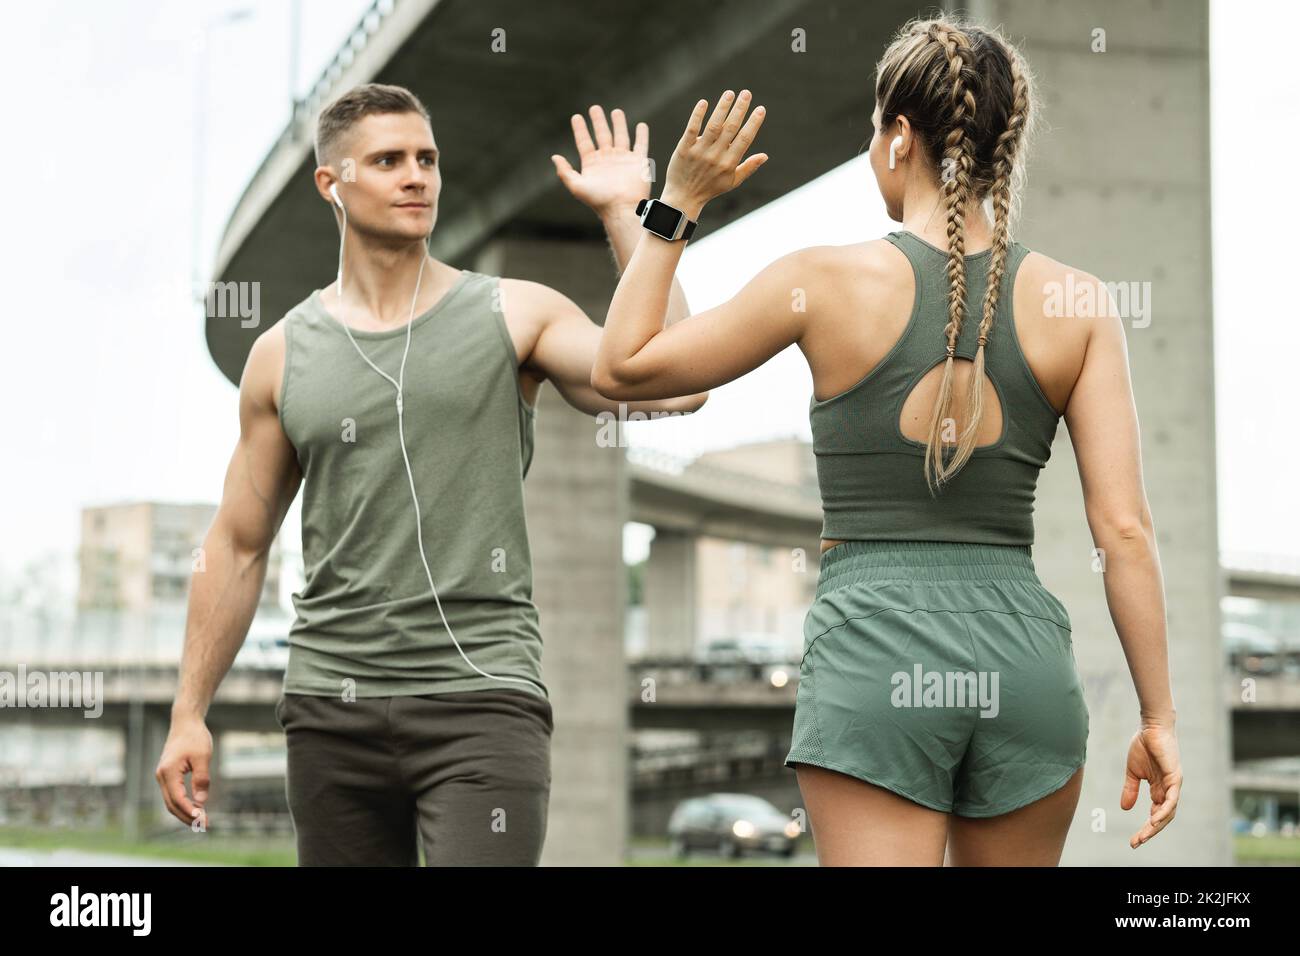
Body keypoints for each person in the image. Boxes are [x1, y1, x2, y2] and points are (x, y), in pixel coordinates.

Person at [591, 13, 1181, 865]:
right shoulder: (1080, 304)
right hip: (1025, 670)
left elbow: (624, 367)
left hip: (875, 655)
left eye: (876, 127)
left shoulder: (819, 282)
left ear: (899, 135)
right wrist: (1158, 719)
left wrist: (674, 202)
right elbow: (1124, 531)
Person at [155, 82, 706, 865]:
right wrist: (188, 712)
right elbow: (238, 546)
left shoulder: (516, 312)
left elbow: (678, 384)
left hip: (482, 702)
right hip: (329, 708)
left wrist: (629, 213)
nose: (417, 176)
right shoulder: (281, 353)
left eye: (427, 159)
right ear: (332, 185)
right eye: (387, 161)